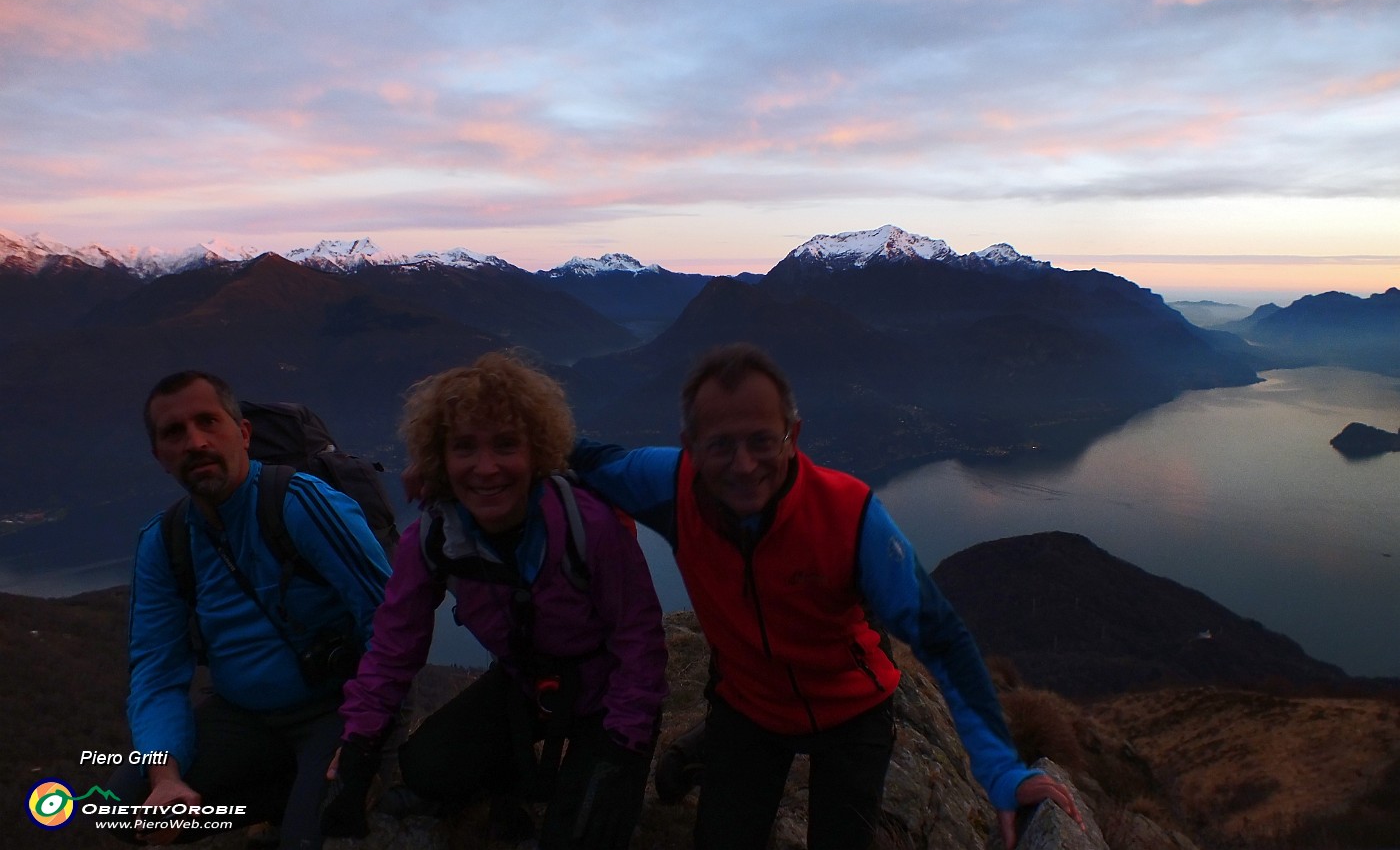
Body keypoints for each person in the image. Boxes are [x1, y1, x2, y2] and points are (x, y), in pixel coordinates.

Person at [569, 343, 1084, 850]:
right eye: (720, 445)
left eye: (761, 441)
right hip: (747, 702)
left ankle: (707, 749)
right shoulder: (668, 486)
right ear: (691, 446)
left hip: (850, 709)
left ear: (793, 436)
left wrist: (1001, 771)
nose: (743, 465)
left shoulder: (849, 517)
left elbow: (943, 638)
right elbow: (583, 455)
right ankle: (708, 747)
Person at [323, 352, 667, 849]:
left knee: (583, 832)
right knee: (426, 769)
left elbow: (639, 641)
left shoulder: (585, 524)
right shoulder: (434, 539)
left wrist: (625, 744)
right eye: (464, 448)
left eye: (506, 445)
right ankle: (510, 784)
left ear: (537, 451)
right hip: (525, 685)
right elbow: (393, 649)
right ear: (441, 459)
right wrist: (357, 748)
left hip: (607, 694)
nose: (486, 469)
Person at [111, 371, 391, 849]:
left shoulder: (300, 503)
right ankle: (295, 791)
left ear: (242, 434)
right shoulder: (164, 541)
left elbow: (386, 620)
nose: (195, 441)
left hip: (334, 706)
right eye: (174, 432)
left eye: (208, 422)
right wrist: (166, 776)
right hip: (244, 718)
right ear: (160, 456)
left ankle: (315, 798)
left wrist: (365, 733)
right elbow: (157, 671)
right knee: (125, 805)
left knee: (309, 839)